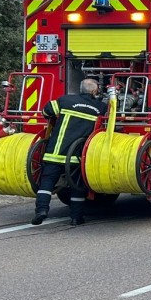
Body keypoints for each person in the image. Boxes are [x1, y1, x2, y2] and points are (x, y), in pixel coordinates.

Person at [32, 78, 108, 226]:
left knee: (47, 182)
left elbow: (46, 112)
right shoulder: (100, 107)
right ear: (95, 91)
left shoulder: (65, 100)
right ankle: (76, 218)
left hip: (54, 153)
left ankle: (41, 211)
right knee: (77, 187)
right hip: (77, 157)